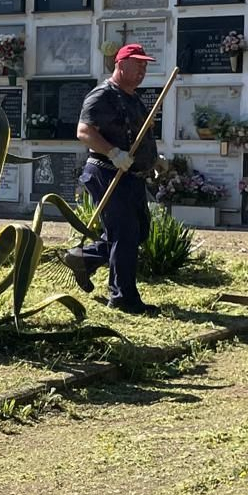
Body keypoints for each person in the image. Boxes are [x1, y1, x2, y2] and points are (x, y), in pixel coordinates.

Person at [62, 43, 161, 314]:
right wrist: (113, 152)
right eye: (137, 63)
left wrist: (153, 160)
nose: (143, 69)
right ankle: (123, 298)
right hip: (108, 171)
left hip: (132, 175)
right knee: (125, 234)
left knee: (137, 232)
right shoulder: (102, 95)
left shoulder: (133, 97)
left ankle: (82, 258)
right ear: (120, 64)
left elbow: (140, 135)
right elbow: (84, 131)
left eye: (145, 64)